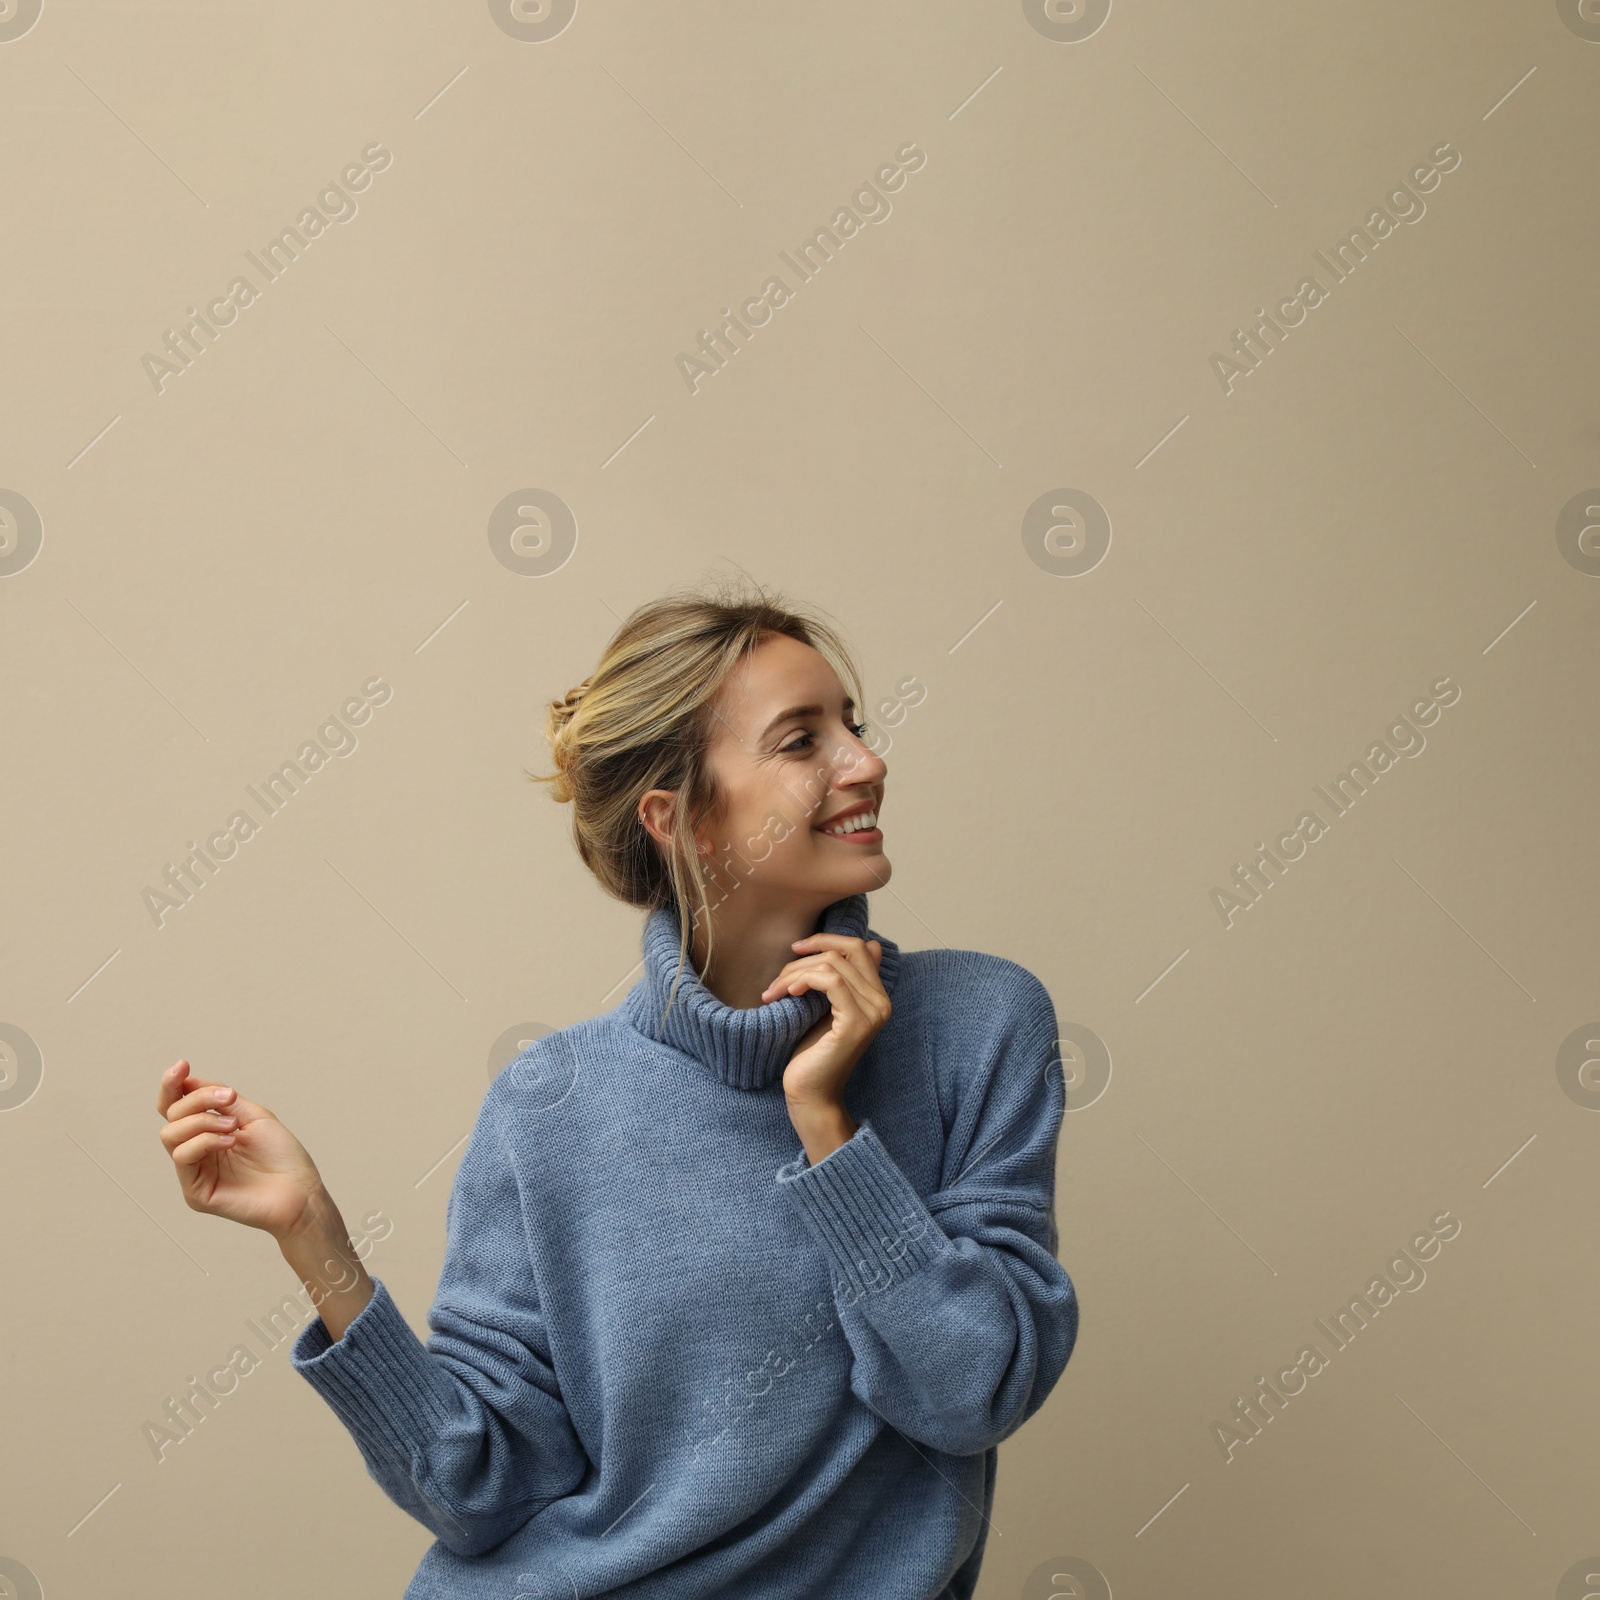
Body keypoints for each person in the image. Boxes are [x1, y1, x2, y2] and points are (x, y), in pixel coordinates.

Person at [155, 579, 1079, 1599]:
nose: (868, 762)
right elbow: (483, 1491)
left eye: (852, 728)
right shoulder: (547, 1103)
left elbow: (967, 1390)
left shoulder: (978, 1025)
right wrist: (314, 1241)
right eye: (801, 740)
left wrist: (827, 1127)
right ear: (676, 817)